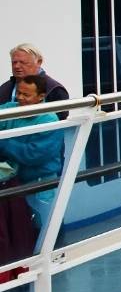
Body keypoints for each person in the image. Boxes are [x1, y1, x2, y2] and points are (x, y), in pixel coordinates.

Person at [0, 74, 65, 269]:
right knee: (20, 231)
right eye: (19, 93)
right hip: (16, 183)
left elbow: (32, 154)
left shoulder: (49, 119)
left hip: (40, 185)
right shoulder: (11, 110)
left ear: (41, 97)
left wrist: (3, 143)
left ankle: (48, 269)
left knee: (44, 230)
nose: (21, 98)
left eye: (26, 95)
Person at [4, 44, 70, 121]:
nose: (17, 66)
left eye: (23, 62)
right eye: (14, 62)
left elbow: (59, 124)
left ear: (39, 62)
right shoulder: (4, 88)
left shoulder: (55, 90)